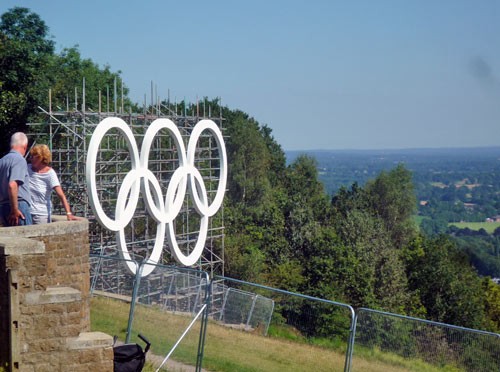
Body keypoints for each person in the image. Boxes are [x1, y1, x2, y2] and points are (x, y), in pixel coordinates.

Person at [28, 144, 78, 224]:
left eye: (33, 156)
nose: (31, 159)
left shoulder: (50, 174)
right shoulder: (27, 168)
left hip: (41, 214)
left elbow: (61, 195)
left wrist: (68, 213)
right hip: (27, 212)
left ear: (41, 158)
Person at [0, 132, 33, 226]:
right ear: (25, 146)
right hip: (18, 207)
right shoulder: (19, 160)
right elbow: (12, 185)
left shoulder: (2, 161)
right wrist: (15, 209)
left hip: (3, 207)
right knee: (27, 239)